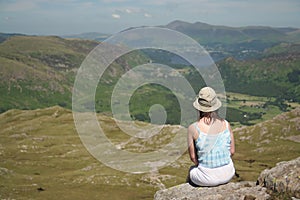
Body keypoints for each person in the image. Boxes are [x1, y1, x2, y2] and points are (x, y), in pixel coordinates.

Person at [187, 86, 235, 186]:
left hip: (206, 178)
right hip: (229, 173)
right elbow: (232, 152)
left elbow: (193, 158)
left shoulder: (192, 128)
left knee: (192, 170)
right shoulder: (226, 124)